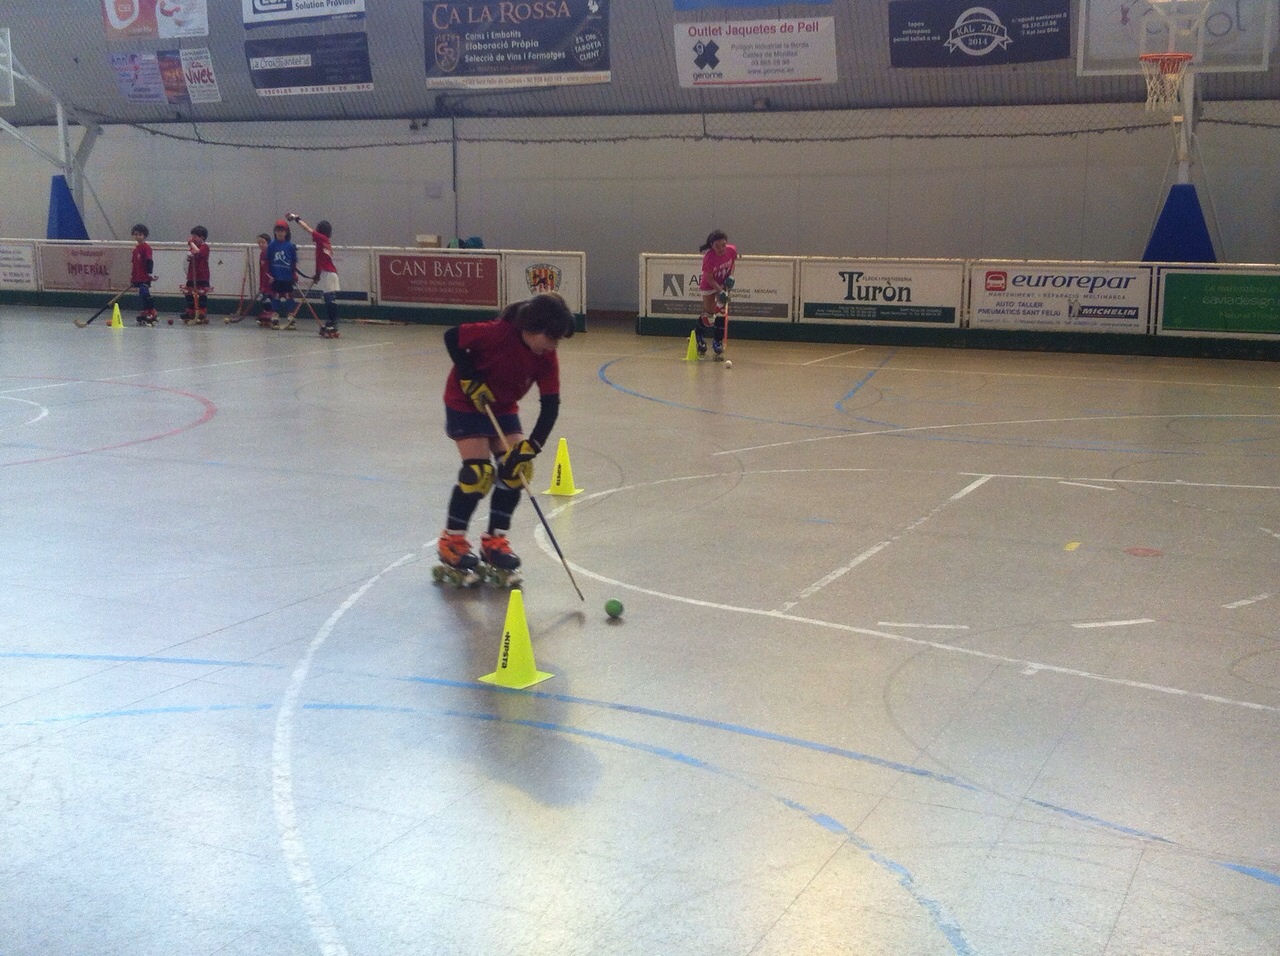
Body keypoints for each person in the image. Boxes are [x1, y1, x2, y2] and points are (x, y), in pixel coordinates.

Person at [436, 292, 577, 584]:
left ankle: (495, 541)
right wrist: (469, 376)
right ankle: (452, 541)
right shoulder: (497, 333)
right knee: (478, 475)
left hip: (502, 408)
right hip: (465, 403)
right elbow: (452, 337)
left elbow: (550, 404)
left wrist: (532, 446)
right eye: (551, 338)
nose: (553, 346)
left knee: (517, 469)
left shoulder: (546, 357)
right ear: (533, 328)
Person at [287, 212, 340, 338]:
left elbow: (307, 229)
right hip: (328, 273)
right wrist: (317, 275)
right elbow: (320, 261)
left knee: (329, 299)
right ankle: (331, 322)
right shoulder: (324, 243)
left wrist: (296, 218)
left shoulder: (322, 238)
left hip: (329, 273)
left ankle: (333, 322)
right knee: (328, 298)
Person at [696, 229, 737, 360]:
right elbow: (709, 278)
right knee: (709, 317)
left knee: (721, 312)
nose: (721, 249)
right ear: (712, 246)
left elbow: (732, 264)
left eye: (723, 245)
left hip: (723, 283)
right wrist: (720, 291)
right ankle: (699, 336)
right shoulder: (709, 258)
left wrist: (731, 277)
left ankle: (717, 341)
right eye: (717, 246)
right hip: (710, 285)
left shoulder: (732, 251)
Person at [265, 219, 298, 329]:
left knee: (289, 297)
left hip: (287, 277)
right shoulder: (271, 245)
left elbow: (293, 262)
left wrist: (294, 274)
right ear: (275, 232)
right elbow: (268, 261)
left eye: (282, 231)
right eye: (278, 230)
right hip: (275, 277)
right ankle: (275, 318)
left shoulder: (290, 246)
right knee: (275, 296)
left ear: (286, 232)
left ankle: (291, 318)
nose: (280, 233)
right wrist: (269, 274)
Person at [129, 223, 158, 326]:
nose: (138, 237)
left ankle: (152, 312)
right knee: (141, 295)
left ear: (145, 236)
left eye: (140, 234)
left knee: (144, 292)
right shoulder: (135, 249)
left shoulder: (146, 247)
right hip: (137, 277)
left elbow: (149, 261)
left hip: (145, 276)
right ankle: (145, 311)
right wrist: (133, 277)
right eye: (136, 234)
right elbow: (134, 264)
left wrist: (150, 273)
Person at [181, 225, 211, 325]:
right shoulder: (193, 247)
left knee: (201, 293)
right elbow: (190, 256)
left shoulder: (205, 247)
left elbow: (198, 252)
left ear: (202, 237)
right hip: (192, 274)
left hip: (202, 275)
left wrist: (191, 244)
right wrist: (189, 254)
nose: (193, 239)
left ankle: (201, 311)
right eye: (192, 236)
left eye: (195, 236)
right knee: (189, 292)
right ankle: (191, 310)